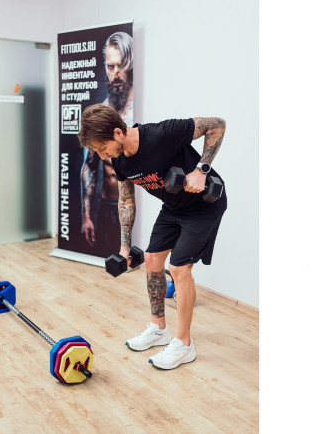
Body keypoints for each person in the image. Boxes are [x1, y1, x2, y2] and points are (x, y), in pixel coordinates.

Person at [77, 104, 228, 370]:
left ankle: (184, 344)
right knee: (151, 259)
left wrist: (201, 169)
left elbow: (217, 124)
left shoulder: (162, 133)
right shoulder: (119, 159)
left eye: (102, 148)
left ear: (118, 133)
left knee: (179, 267)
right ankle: (159, 329)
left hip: (204, 206)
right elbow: (126, 199)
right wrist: (124, 248)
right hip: (173, 207)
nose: (102, 156)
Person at [80, 32, 134, 255]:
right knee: (111, 265)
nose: (116, 73)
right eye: (110, 67)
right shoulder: (101, 113)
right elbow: (90, 166)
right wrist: (86, 215)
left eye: (121, 66)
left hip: (137, 207)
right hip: (108, 207)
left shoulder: (139, 112)